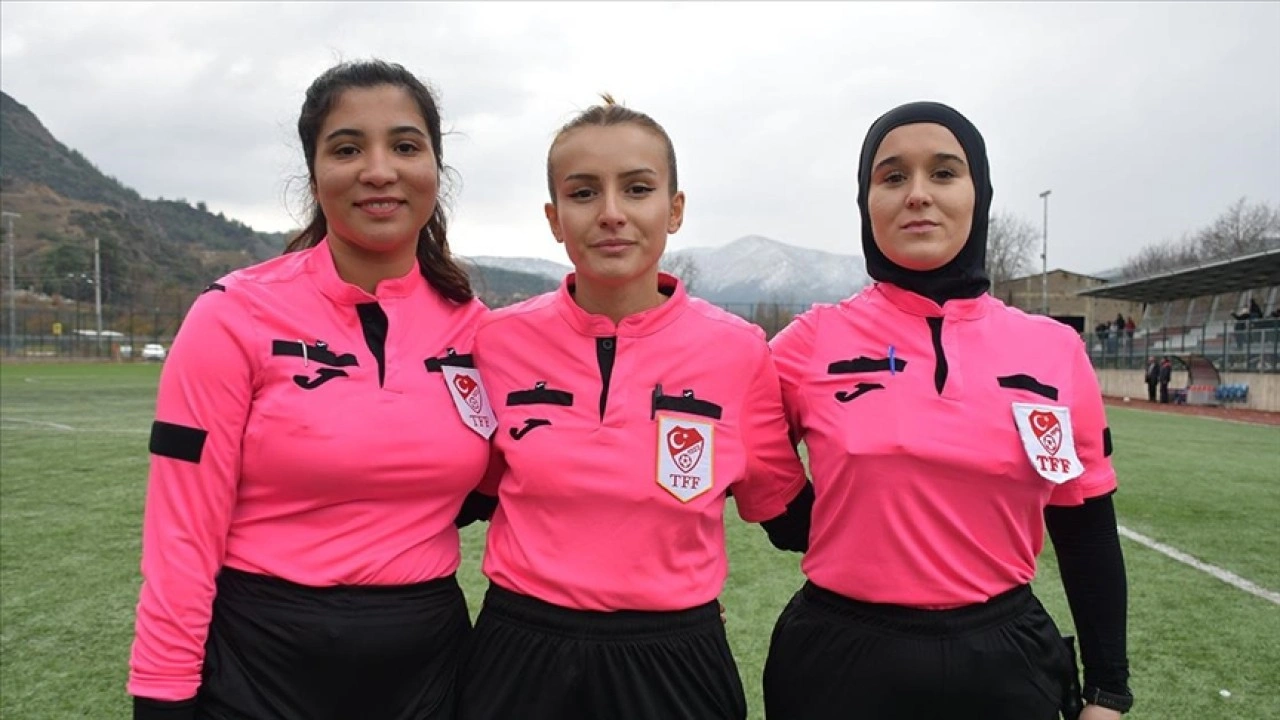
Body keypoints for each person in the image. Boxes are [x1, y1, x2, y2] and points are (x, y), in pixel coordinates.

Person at [127, 60, 495, 720]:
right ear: (314, 172)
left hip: (428, 669)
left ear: (436, 168)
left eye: (404, 146)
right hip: (258, 666)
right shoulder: (231, 315)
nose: (378, 170)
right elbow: (181, 533)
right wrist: (161, 691)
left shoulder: (479, 331)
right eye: (347, 149)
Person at [763, 101, 1131, 720]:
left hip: (1006, 664)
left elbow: (1086, 525)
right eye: (892, 176)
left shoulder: (1054, 350)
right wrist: (791, 514)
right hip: (839, 662)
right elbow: (735, 438)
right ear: (866, 201)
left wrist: (1109, 690)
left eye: (943, 172)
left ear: (978, 193)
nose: (918, 194)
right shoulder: (810, 341)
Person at [455, 97, 812, 720]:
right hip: (520, 653)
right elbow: (457, 491)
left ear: (674, 209)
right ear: (554, 218)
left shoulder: (738, 351)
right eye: (583, 193)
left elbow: (787, 514)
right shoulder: (495, 342)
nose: (612, 212)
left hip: (674, 659)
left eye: (638, 189)